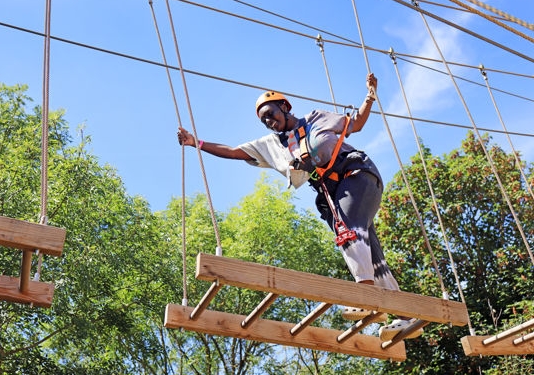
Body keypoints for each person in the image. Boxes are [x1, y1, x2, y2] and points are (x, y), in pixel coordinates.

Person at [176, 73, 422, 341]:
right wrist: (196, 143)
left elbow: (357, 124)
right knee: (369, 251)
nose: (270, 121)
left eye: (271, 113)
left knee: (349, 231)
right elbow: (235, 151)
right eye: (264, 120)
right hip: (333, 192)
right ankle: (405, 314)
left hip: (357, 174)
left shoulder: (317, 119)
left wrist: (370, 95)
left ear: (285, 106)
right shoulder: (273, 146)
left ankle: (364, 294)